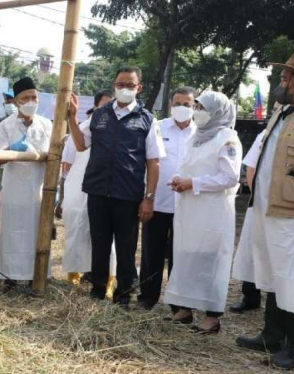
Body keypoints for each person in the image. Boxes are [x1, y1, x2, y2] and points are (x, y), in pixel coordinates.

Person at [236, 51, 294, 370]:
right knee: (273, 275)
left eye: (285, 78)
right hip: (269, 209)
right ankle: (271, 335)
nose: (280, 83)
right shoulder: (284, 111)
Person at [67, 67, 165, 308]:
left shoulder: (147, 120)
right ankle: (99, 289)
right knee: (99, 243)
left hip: (128, 194)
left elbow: (153, 163)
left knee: (126, 246)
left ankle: (124, 294)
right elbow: (81, 145)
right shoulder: (99, 115)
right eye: (121, 84)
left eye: (130, 85)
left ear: (138, 88)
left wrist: (149, 197)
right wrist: (71, 118)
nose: (124, 89)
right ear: (114, 84)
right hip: (98, 190)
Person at [163, 91, 242, 334]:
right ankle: (185, 309)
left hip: (213, 212)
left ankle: (212, 316)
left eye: (202, 107)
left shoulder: (227, 138)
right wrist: (179, 179)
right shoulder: (196, 137)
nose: (197, 111)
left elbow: (230, 177)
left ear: (218, 112)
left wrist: (193, 183)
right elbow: (188, 167)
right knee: (187, 257)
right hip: (190, 210)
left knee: (210, 260)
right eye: (196, 106)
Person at [137, 87, 197, 310]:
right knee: (151, 252)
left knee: (179, 254)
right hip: (158, 201)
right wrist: (146, 197)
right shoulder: (158, 127)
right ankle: (147, 298)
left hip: (188, 204)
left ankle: (177, 302)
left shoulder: (200, 133)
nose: (182, 108)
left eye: (188, 104)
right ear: (171, 105)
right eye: (178, 103)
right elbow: (148, 162)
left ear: (194, 107)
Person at [0, 77, 52, 287]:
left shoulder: (46, 125)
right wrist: (12, 150)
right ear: (16, 101)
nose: (30, 102)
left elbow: (55, 157)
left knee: (36, 234)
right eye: (25, 98)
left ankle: (35, 277)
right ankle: (9, 277)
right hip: (14, 190)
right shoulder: (6, 125)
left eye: (34, 97)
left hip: (38, 191)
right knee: (11, 233)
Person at [62, 90, 113, 285]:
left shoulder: (118, 131)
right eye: (104, 104)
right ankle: (74, 275)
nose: (108, 109)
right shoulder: (82, 127)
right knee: (77, 232)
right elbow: (66, 166)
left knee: (104, 237)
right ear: (95, 106)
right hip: (78, 192)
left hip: (105, 191)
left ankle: (105, 279)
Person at [230, 129, 267, 314]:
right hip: (263, 204)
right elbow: (251, 168)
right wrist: (259, 197)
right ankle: (251, 296)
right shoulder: (266, 133)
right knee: (253, 250)